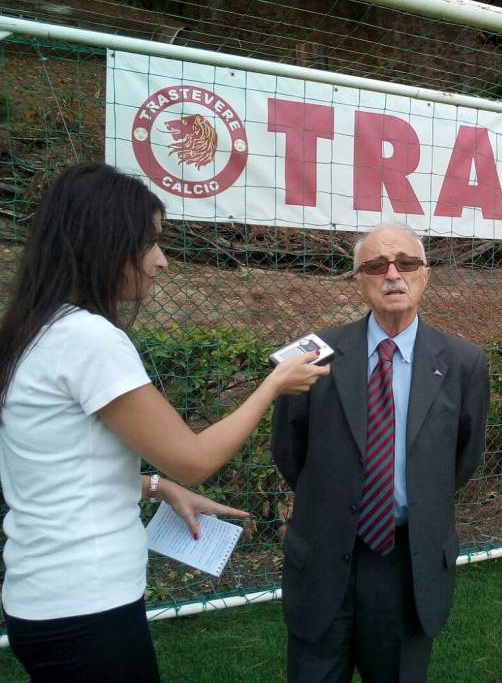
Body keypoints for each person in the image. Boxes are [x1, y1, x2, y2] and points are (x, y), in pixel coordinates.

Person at [0, 162, 330, 683]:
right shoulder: (90, 340)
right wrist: (273, 385)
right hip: (87, 606)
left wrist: (157, 486)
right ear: (104, 243)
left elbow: (52, 466)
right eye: (149, 243)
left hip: (42, 599)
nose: (162, 262)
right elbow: (195, 459)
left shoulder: (35, 330)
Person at [272, 222, 489, 683]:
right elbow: (289, 452)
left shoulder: (464, 362)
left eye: (406, 262)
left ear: (425, 274)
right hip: (324, 556)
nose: (393, 274)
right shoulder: (313, 355)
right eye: (376, 265)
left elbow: (462, 459)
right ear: (358, 279)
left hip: (407, 565)